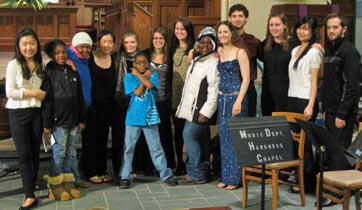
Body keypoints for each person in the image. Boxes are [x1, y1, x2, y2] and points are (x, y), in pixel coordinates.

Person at [118, 52, 178, 188]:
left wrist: (141, 76)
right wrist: (142, 76)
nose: (142, 65)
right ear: (134, 64)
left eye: (144, 62)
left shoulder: (153, 75)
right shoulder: (129, 77)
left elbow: (151, 87)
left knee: (156, 147)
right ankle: (125, 176)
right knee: (129, 148)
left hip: (150, 117)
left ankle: (166, 174)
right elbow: (138, 92)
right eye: (138, 62)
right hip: (133, 118)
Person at [5, 28, 46, 210]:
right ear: (18, 46)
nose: (28, 48)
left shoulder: (40, 63)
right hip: (18, 113)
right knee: (24, 155)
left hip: (36, 112)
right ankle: (29, 195)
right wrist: (33, 93)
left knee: (35, 153)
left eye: (32, 43)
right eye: (24, 44)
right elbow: (10, 92)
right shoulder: (14, 64)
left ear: (37, 44)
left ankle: (31, 185)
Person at [42, 39, 87, 200]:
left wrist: (82, 118)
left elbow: (79, 96)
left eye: (63, 52)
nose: (61, 55)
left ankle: (67, 183)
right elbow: (47, 101)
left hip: (73, 120)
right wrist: (46, 124)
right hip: (57, 122)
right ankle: (54, 184)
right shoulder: (48, 73)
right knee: (59, 153)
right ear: (51, 55)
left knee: (70, 151)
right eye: (57, 52)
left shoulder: (72, 71)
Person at [176, 26, 219, 185]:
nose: (205, 45)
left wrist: (206, 112)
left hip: (200, 110)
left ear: (214, 44)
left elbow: (214, 90)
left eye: (209, 42)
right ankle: (204, 171)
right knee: (202, 141)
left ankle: (196, 173)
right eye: (202, 42)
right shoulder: (197, 59)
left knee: (189, 135)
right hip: (191, 108)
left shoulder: (214, 62)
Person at [287, 16, 323, 193]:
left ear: (312, 31)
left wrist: (310, 104)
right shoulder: (295, 50)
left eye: (306, 28)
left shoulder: (315, 52)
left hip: (306, 101)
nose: (302, 31)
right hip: (292, 99)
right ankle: (297, 175)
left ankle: (306, 182)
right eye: (299, 28)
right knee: (295, 142)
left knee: (306, 143)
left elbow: (315, 81)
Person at [114, 30, 154, 176]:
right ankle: (123, 169)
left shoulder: (143, 58)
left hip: (140, 101)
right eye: (126, 42)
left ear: (137, 43)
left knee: (141, 137)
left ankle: (139, 167)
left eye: (132, 42)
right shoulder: (117, 58)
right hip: (122, 100)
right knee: (123, 137)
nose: (129, 45)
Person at [216, 21, 250, 190]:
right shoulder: (220, 51)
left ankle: (236, 178)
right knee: (224, 139)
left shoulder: (240, 52)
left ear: (232, 33)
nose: (222, 35)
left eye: (225, 32)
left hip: (236, 99)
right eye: (220, 32)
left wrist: (238, 101)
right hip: (222, 99)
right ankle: (226, 175)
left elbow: (246, 79)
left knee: (235, 139)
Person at [322, 13, 361, 150]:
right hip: (330, 111)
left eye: (335, 27)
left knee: (339, 156)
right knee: (330, 154)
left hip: (342, 114)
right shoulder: (329, 49)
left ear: (344, 29)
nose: (331, 31)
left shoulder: (349, 51)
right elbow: (328, 82)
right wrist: (326, 108)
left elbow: (351, 86)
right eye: (328, 28)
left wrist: (341, 114)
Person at [66, 32, 99, 183]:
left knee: (86, 142)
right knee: (69, 147)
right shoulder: (68, 56)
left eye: (88, 47)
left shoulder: (84, 59)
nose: (85, 50)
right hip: (72, 109)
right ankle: (69, 179)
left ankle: (80, 175)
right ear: (74, 46)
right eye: (82, 46)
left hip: (86, 106)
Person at [143, 27, 176, 170]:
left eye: (161, 38)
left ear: (165, 40)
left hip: (163, 100)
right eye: (155, 38)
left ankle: (167, 165)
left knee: (164, 133)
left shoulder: (170, 55)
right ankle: (148, 166)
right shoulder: (145, 54)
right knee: (148, 133)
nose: (158, 41)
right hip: (147, 100)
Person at [87, 30, 117, 183]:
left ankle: (102, 169)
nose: (107, 45)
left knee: (103, 139)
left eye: (110, 42)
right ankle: (91, 171)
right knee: (90, 138)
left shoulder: (114, 60)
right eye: (104, 41)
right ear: (98, 42)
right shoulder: (89, 57)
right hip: (92, 106)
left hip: (108, 106)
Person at [170, 17, 196, 176]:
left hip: (190, 97)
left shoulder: (196, 47)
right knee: (178, 133)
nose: (179, 32)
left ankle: (192, 163)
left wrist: (194, 49)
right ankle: (180, 162)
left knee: (190, 133)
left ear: (188, 31)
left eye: (183, 29)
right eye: (177, 29)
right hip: (174, 96)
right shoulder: (171, 48)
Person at [257, 12, 295, 116]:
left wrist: (314, 44)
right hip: (267, 94)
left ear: (285, 25)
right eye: (271, 25)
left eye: (277, 25)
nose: (274, 28)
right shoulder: (265, 44)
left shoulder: (293, 43)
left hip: (286, 93)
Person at [228, 3, 261, 117]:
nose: (237, 19)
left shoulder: (254, 41)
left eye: (240, 16)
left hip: (248, 88)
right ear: (229, 18)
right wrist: (194, 49)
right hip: (228, 88)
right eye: (234, 16)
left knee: (248, 125)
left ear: (246, 19)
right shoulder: (223, 39)